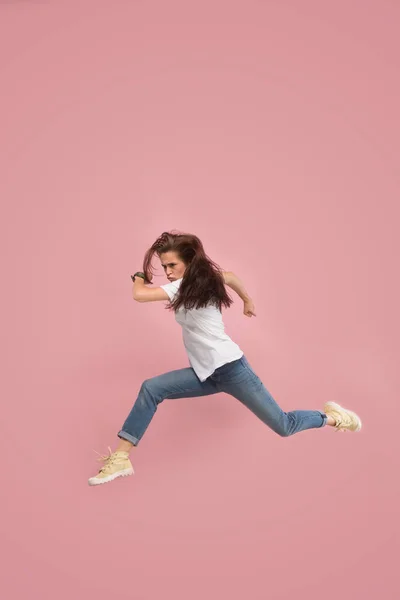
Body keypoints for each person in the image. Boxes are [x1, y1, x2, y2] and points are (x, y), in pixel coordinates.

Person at [88, 231, 362, 486]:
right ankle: (121, 459)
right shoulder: (197, 283)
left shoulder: (186, 285)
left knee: (284, 425)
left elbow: (140, 295)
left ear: (189, 263)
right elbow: (229, 277)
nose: (168, 273)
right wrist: (247, 300)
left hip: (232, 370)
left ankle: (332, 417)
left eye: (172, 265)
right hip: (205, 373)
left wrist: (138, 276)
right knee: (152, 388)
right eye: (164, 267)